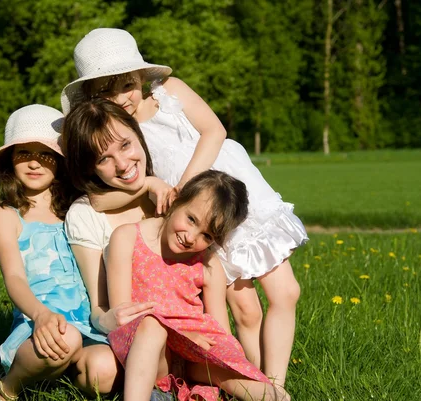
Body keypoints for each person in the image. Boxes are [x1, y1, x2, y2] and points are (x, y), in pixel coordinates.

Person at [61, 28, 309, 388]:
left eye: (127, 84)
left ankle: (274, 380)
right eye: (106, 91)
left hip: (235, 193)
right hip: (200, 218)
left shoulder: (171, 92)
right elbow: (104, 196)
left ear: (141, 77)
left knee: (287, 292)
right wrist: (151, 185)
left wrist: (183, 188)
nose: (121, 97)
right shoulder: (122, 136)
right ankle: (255, 378)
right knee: (245, 308)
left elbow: (215, 131)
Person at [106, 170, 289, 401]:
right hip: (147, 347)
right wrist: (180, 336)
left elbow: (220, 332)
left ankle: (275, 396)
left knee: (259, 388)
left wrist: (205, 350)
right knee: (151, 327)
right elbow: (123, 315)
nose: (191, 237)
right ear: (176, 200)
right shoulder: (127, 237)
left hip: (194, 356)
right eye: (191, 219)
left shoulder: (208, 263)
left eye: (207, 236)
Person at [0, 104, 116, 401]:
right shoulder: (6, 213)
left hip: (86, 320)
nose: (34, 163)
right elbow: (14, 276)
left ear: (60, 163)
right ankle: (7, 387)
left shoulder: (77, 209)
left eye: (45, 155)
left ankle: (59, 382)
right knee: (65, 339)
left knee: (105, 373)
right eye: (23, 154)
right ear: (9, 162)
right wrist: (40, 315)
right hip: (37, 319)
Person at [62, 98, 176, 400]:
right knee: (102, 368)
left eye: (126, 145)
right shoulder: (85, 215)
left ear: (139, 135)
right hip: (136, 336)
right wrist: (107, 320)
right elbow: (99, 308)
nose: (123, 165)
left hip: (183, 327)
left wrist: (153, 183)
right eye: (103, 159)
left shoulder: (168, 193)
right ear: (89, 168)